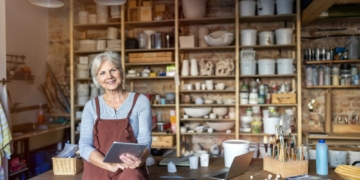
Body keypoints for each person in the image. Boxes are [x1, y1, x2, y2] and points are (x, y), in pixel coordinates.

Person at [79, 51, 152, 180]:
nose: (109, 76)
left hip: (129, 167)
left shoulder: (140, 102)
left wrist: (140, 159)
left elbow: (145, 139)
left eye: (113, 70)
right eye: (102, 73)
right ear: (97, 79)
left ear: (121, 72)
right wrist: (108, 165)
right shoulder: (91, 107)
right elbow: (84, 145)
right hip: (99, 167)